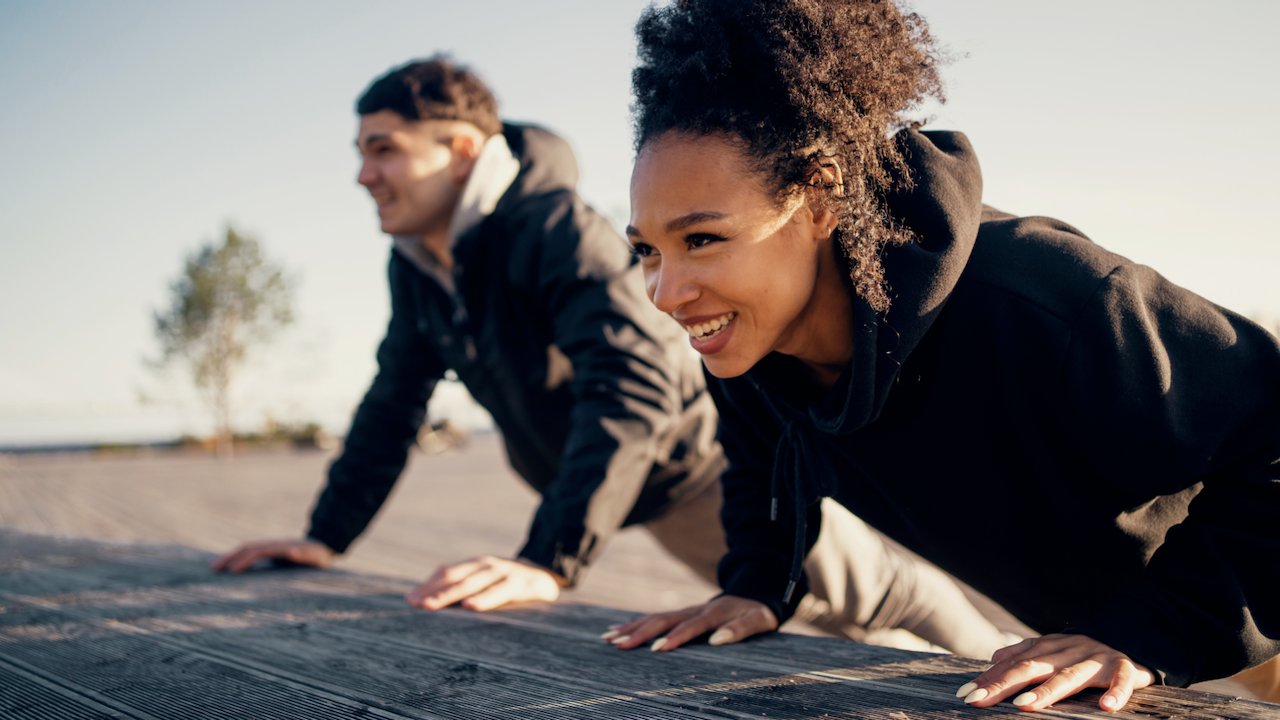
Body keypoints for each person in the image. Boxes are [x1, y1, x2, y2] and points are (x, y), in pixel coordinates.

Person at [211, 55, 1012, 658]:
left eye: (383, 149)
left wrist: (548, 561)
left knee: (863, 598)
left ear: (459, 149)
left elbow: (633, 384)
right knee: (791, 615)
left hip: (694, 469)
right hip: (615, 491)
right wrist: (327, 535)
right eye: (360, 151)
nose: (363, 174)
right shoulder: (421, 263)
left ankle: (993, 662)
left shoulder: (554, 229)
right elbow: (395, 399)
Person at [609, 0, 1280, 713]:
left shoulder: (1046, 299)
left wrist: (1158, 629)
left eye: (703, 239)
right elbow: (765, 460)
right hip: (1111, 644)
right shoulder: (752, 346)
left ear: (819, 200)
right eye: (646, 251)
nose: (666, 292)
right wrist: (757, 582)